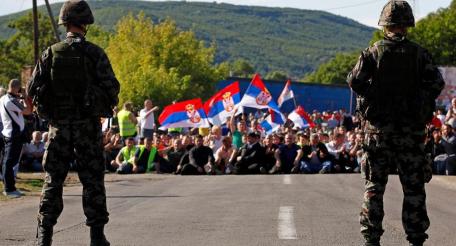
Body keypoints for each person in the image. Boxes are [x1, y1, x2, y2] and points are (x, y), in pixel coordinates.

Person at [347, 1, 445, 245]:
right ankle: (416, 238)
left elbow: (354, 81)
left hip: (378, 132)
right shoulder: (420, 54)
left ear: (384, 24)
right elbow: (436, 84)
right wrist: (417, 99)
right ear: (408, 24)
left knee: (374, 187)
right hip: (411, 132)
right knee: (414, 189)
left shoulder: (372, 52)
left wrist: (375, 94)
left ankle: (371, 238)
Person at [27, 1, 120, 245]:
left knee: (53, 181)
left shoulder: (51, 52)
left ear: (65, 22)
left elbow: (32, 89)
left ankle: (44, 236)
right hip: (87, 128)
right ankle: (97, 238)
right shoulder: (95, 53)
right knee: (93, 182)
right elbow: (112, 89)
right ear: (85, 23)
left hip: (59, 128)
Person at [0, 79, 33, 198]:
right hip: (13, 135)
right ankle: (9, 189)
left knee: (6, 161)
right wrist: (24, 97)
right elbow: (28, 111)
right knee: (9, 162)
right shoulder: (11, 100)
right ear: (16, 88)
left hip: (7, 133)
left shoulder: (3, 98)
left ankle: (8, 187)